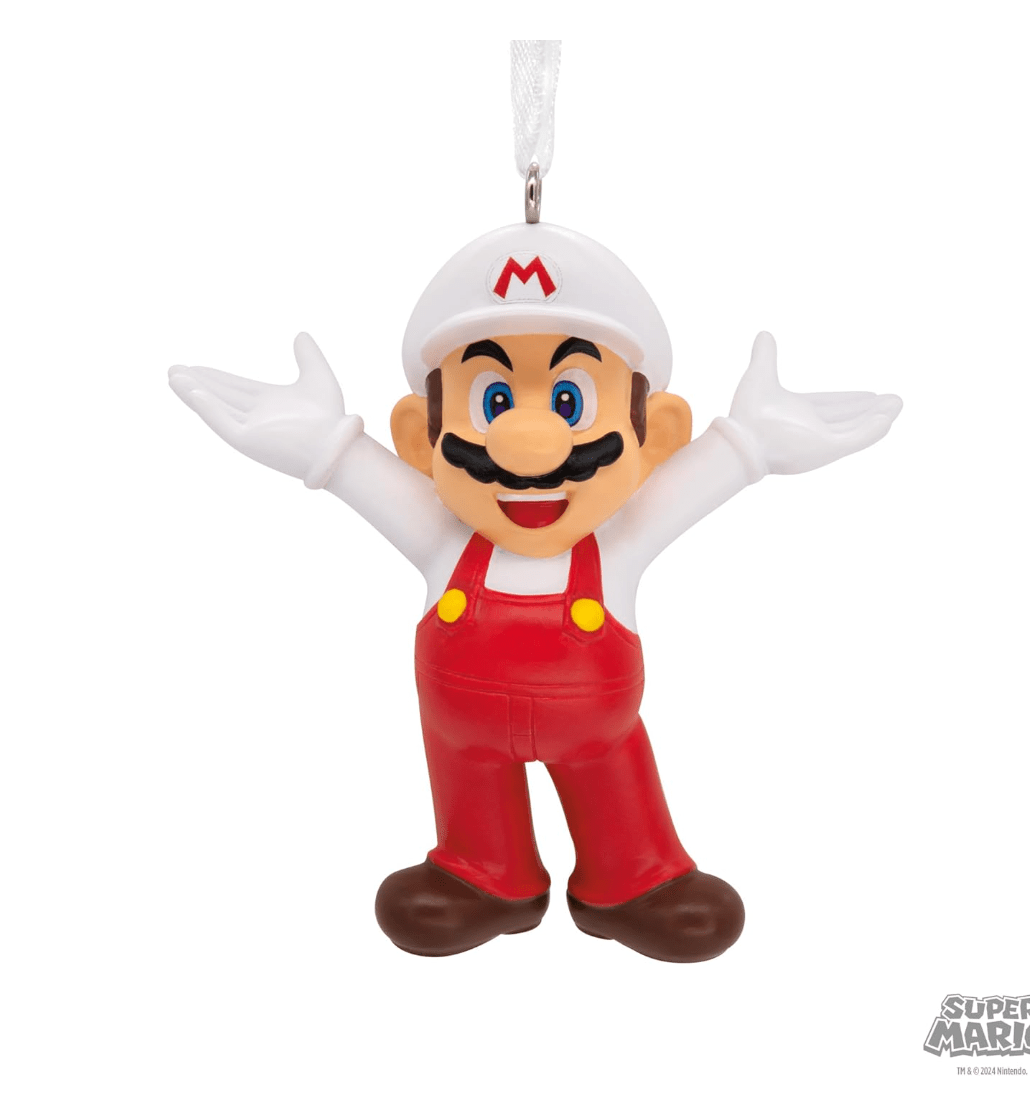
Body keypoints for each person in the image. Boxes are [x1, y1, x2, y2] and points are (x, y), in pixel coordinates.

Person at [168, 222, 902, 962]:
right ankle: (484, 873)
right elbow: (352, 468)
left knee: (614, 789)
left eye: (569, 400)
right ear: (421, 439)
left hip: (598, 735)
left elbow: (715, 470)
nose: (527, 446)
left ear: (654, 437)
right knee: (469, 792)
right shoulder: (441, 538)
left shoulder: (621, 542)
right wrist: (323, 441)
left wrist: (753, 441)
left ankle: (633, 878)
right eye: (492, 401)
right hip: (463, 737)